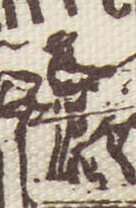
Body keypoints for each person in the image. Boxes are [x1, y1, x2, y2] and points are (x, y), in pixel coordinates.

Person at [43, 31, 116, 182]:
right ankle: (57, 172)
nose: (69, 48)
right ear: (58, 49)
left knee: (73, 139)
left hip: (76, 107)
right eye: (65, 45)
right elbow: (69, 83)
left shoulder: (70, 64)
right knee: (65, 141)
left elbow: (85, 71)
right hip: (65, 108)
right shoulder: (57, 65)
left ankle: (68, 171)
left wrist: (102, 72)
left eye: (69, 45)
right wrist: (91, 79)